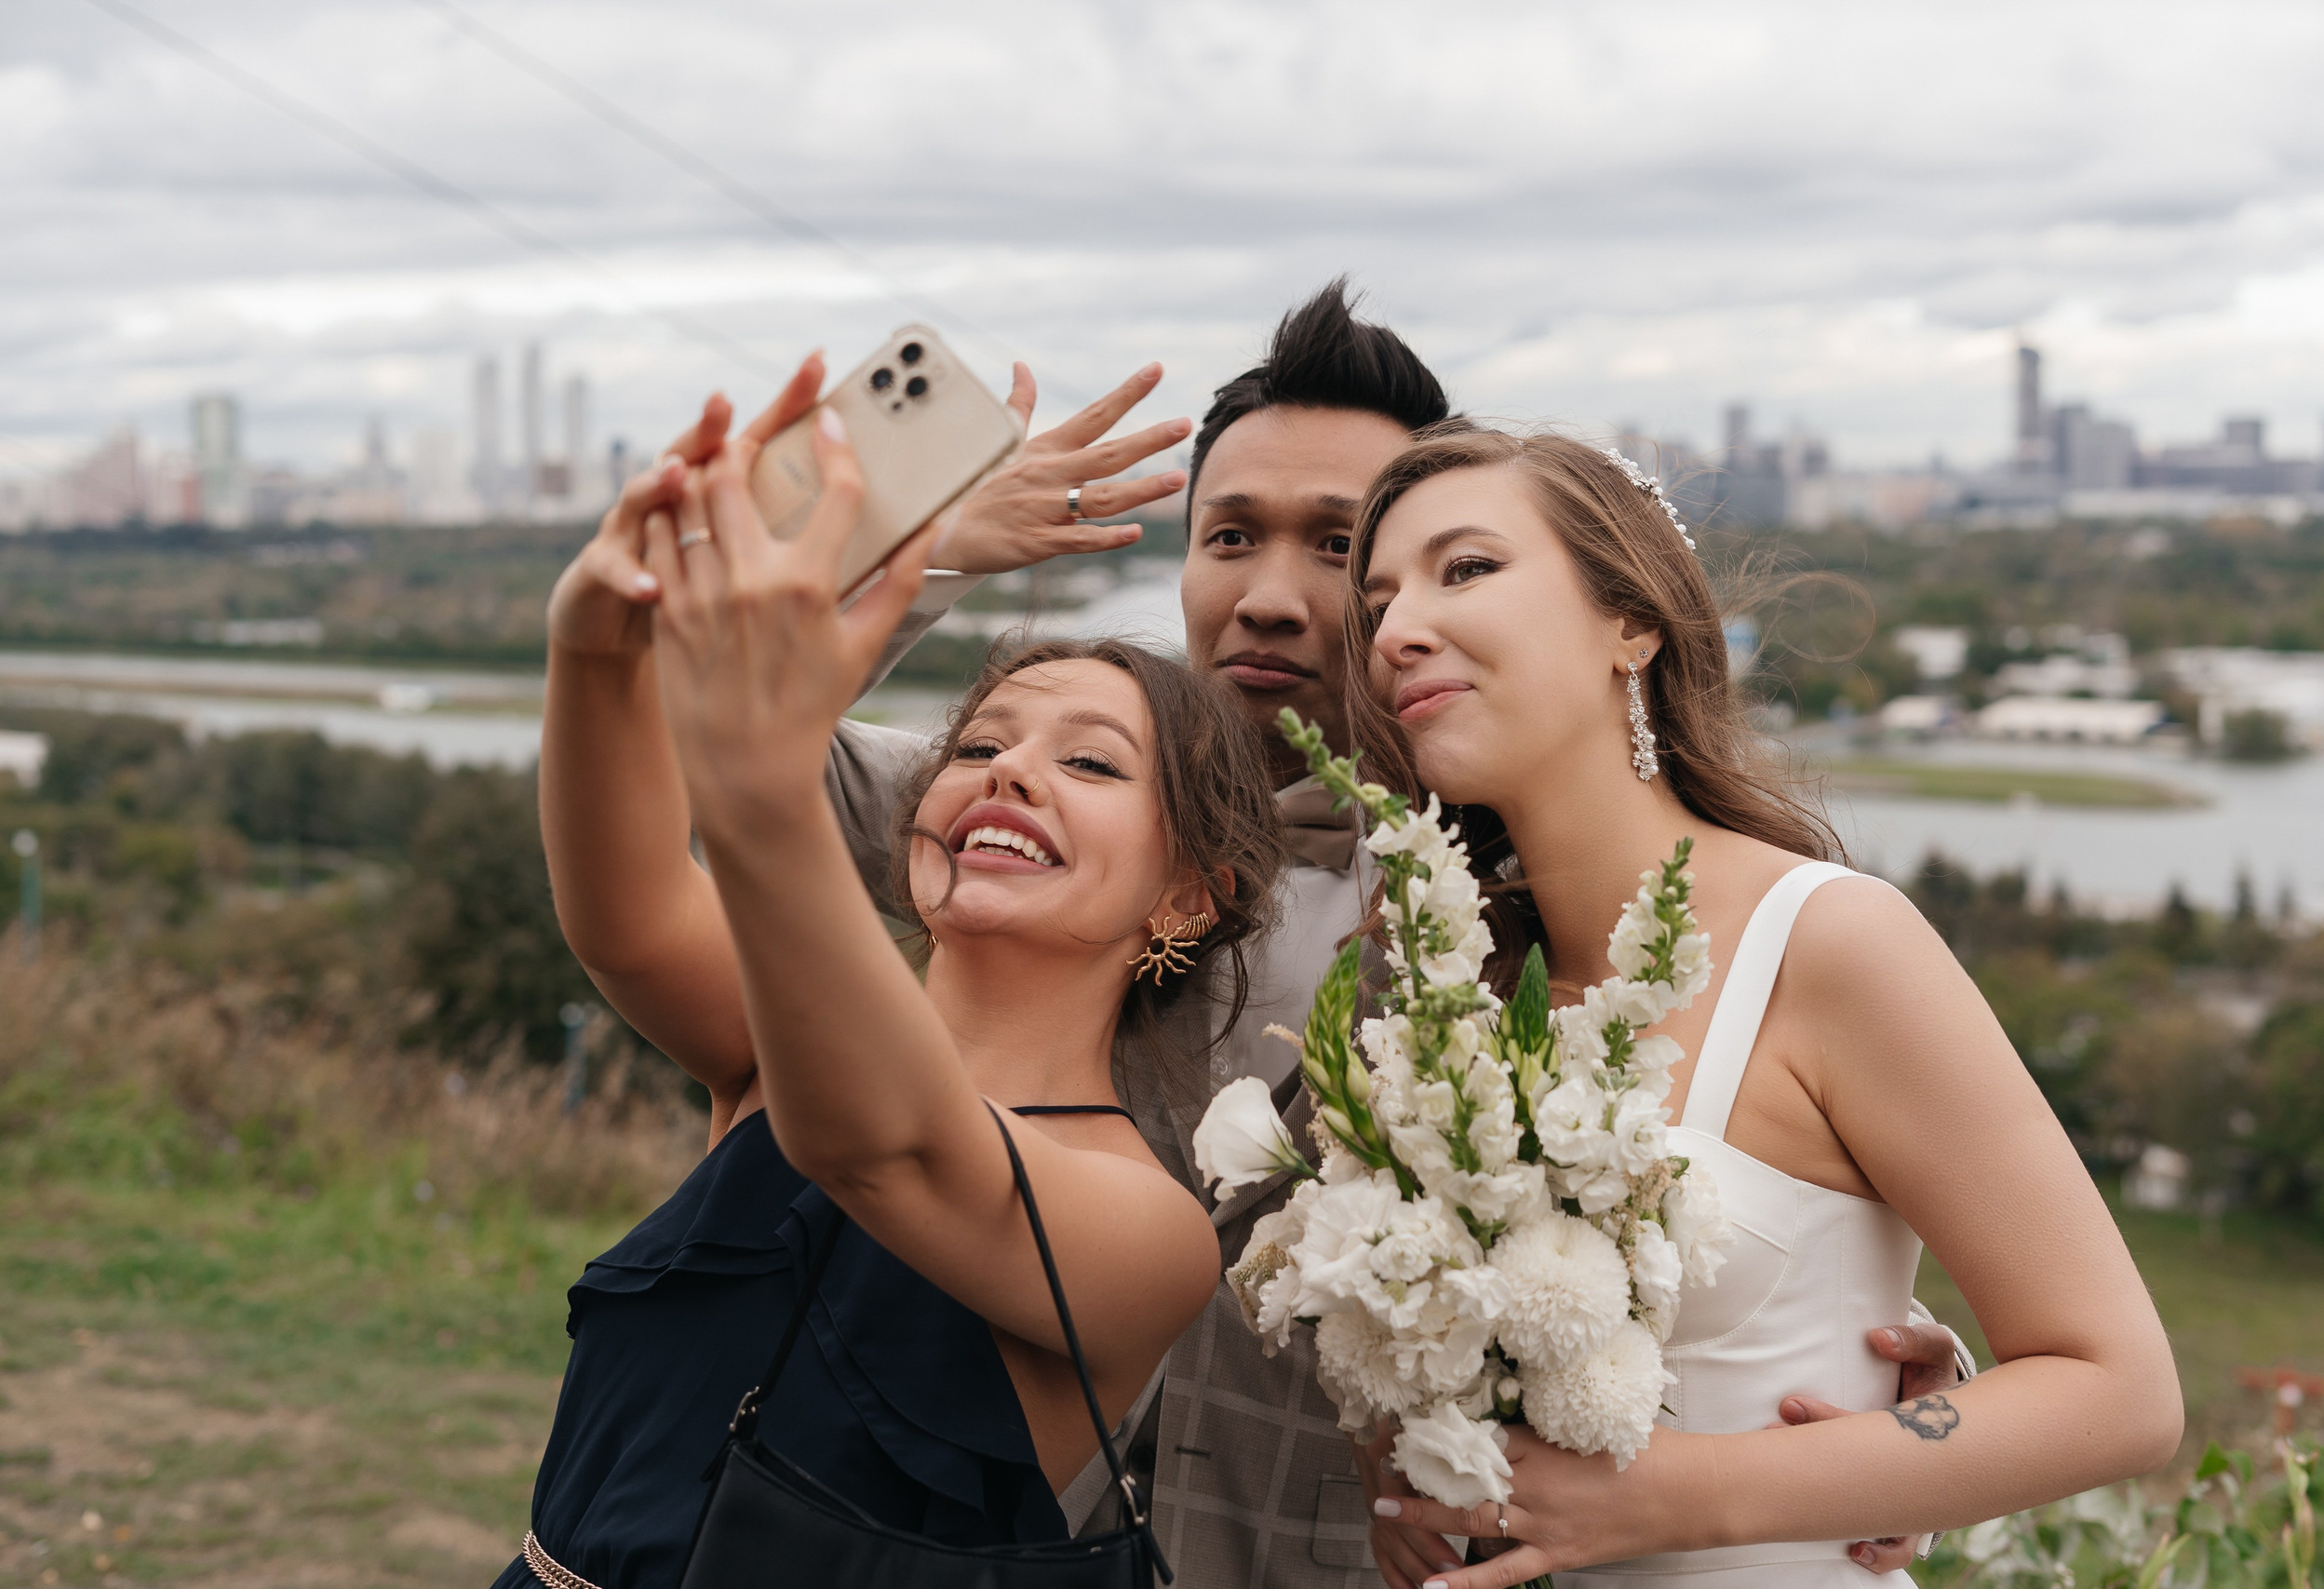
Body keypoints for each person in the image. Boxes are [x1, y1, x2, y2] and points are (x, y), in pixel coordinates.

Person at [544, 283, 1968, 1587]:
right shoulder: (1081, 801)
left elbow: (1729, 1156)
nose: (1275, 592)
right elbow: (720, 771)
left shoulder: (1555, 909)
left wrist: (1830, 1392)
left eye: (1344, 546)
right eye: (1229, 535)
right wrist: (912, 554)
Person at [1346, 425, 2183, 1588]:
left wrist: (1697, 1494)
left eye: (1466, 568)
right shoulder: (1440, 995)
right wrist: (1402, 1462)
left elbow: (2121, 1394)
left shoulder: (1831, 943)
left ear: (1629, 621)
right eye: (1377, 602)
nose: (1395, 632)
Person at [496, 386, 1289, 1587]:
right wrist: (597, 640)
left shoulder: (1153, 1232)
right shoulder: (778, 1059)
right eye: (978, 747)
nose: (1012, 771)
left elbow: (894, 1151)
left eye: (1087, 761)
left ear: (1185, 899)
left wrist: (760, 785)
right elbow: (627, 911)